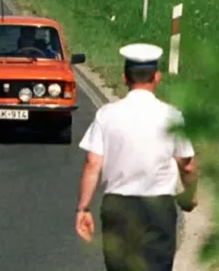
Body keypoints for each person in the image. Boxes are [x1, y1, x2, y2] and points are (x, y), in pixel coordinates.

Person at [75, 43, 199, 271]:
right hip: (158, 207)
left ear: (124, 78)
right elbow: (188, 166)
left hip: (118, 206)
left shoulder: (106, 115)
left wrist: (83, 208)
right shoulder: (171, 116)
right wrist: (189, 197)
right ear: (157, 77)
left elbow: (92, 163)